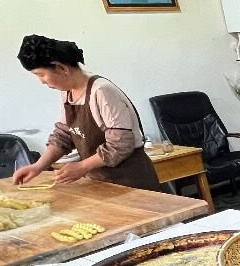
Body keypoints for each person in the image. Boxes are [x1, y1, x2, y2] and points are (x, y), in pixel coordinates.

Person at [11, 34, 162, 192]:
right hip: (100, 181)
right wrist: (38, 166)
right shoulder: (68, 93)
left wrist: (82, 166)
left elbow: (120, 144)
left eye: (40, 75)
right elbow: (64, 136)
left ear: (61, 68)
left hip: (131, 180)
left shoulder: (101, 91)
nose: (41, 81)